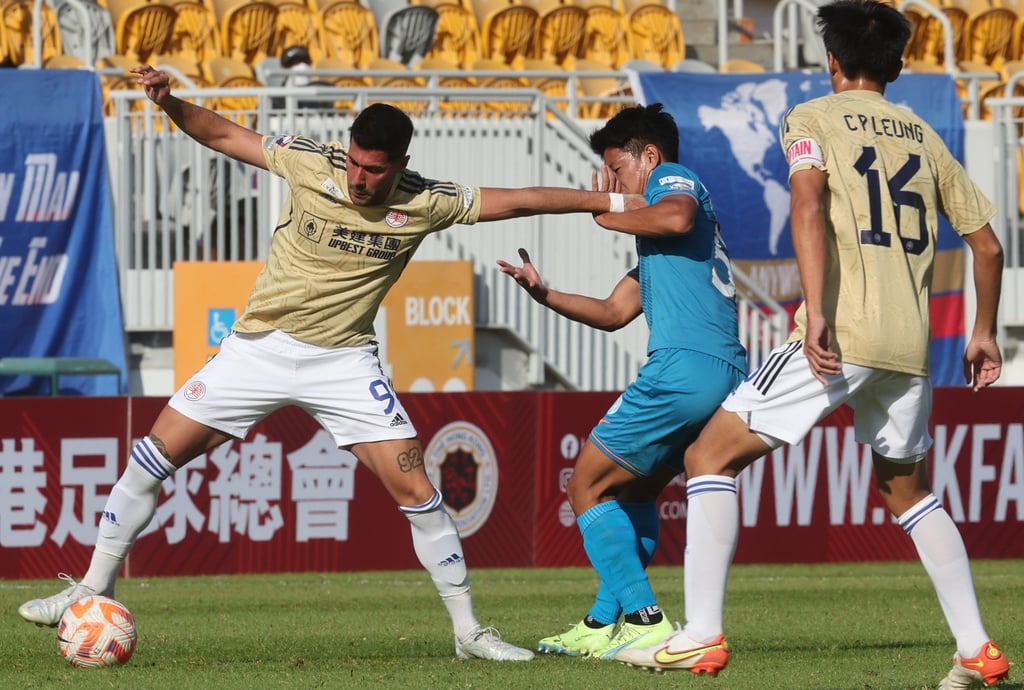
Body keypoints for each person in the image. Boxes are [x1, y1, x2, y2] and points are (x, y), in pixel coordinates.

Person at [17, 63, 639, 662]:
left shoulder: (428, 201)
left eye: (375, 171)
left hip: (344, 364)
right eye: (357, 164)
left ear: (400, 165)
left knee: (420, 492)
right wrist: (169, 102)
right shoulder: (308, 160)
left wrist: (597, 200)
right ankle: (94, 587)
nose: (361, 180)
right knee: (151, 456)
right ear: (347, 149)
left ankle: (469, 632)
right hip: (258, 348)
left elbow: (515, 200)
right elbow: (226, 133)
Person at [615, 2, 1011, 687]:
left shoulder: (813, 118)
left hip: (842, 334)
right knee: (909, 492)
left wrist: (818, 312)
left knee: (709, 455)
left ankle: (701, 637)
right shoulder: (924, 136)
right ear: (898, 66)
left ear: (830, 62)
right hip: (909, 349)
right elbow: (989, 245)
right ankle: (977, 649)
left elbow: (805, 203)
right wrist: (982, 331)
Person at [497, 104, 746, 660]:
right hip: (720, 370)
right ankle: (600, 621)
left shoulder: (670, 183)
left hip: (683, 366)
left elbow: (676, 213)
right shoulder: (668, 247)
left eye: (617, 168)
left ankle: (646, 620)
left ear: (648, 156)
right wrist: (546, 294)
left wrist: (607, 212)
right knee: (633, 490)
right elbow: (613, 311)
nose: (613, 182)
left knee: (584, 486)